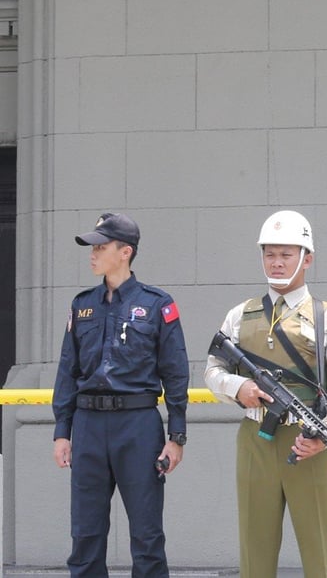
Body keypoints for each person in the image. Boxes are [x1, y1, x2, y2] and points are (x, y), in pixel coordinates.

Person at [204, 210, 327, 578]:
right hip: (256, 439)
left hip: (309, 443)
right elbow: (212, 370)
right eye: (269, 254)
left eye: (286, 254)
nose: (276, 263)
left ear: (307, 258)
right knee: (254, 552)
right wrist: (238, 386)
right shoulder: (241, 315)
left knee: (322, 554)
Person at [51, 212, 190, 577]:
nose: (92, 254)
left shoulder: (158, 304)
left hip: (138, 426)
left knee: (147, 538)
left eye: (101, 246)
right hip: (89, 426)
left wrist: (176, 437)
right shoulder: (82, 305)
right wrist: (62, 431)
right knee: (85, 536)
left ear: (125, 252)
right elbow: (68, 369)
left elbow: (175, 372)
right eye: (92, 247)